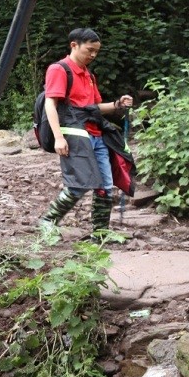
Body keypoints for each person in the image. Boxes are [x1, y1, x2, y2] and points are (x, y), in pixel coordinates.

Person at [38, 28, 135, 240]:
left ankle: (100, 234)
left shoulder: (89, 74)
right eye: (89, 50)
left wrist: (118, 104)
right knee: (79, 184)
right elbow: (50, 104)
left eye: (96, 52)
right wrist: (59, 137)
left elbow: (94, 107)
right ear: (74, 45)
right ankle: (47, 222)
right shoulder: (59, 69)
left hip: (96, 134)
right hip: (73, 134)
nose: (92, 55)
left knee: (105, 186)